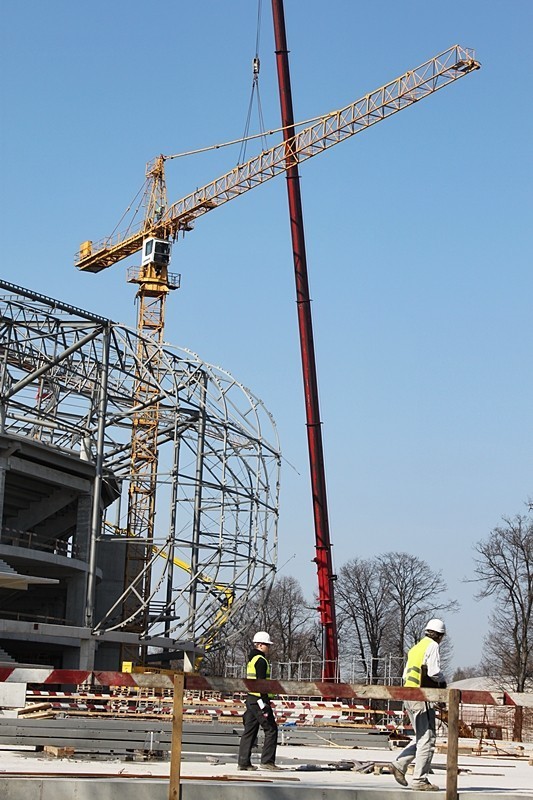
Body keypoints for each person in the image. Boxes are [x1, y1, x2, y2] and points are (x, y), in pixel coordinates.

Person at [390, 618, 447, 792]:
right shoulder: (433, 646)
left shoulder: (416, 648)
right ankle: (420, 779)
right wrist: (443, 684)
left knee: (424, 738)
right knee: (428, 739)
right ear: (440, 636)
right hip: (420, 696)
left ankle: (400, 764)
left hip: (409, 695)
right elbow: (434, 671)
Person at [237, 630, 281, 771]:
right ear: (261, 645)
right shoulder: (261, 661)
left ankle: (243, 763)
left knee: (250, 730)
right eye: (267, 645)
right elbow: (261, 684)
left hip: (251, 699)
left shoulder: (252, 660)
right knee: (271, 729)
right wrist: (265, 704)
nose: (269, 648)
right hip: (258, 700)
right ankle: (267, 762)